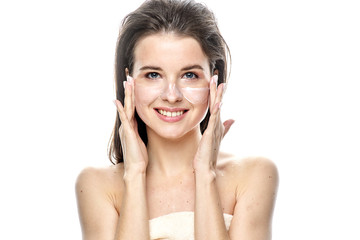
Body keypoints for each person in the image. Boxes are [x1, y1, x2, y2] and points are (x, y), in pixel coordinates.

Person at [75, 0, 279, 239]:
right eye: (153, 74)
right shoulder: (97, 185)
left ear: (215, 80)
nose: (172, 95)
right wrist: (135, 174)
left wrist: (205, 174)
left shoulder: (253, 176)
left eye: (189, 75)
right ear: (128, 80)